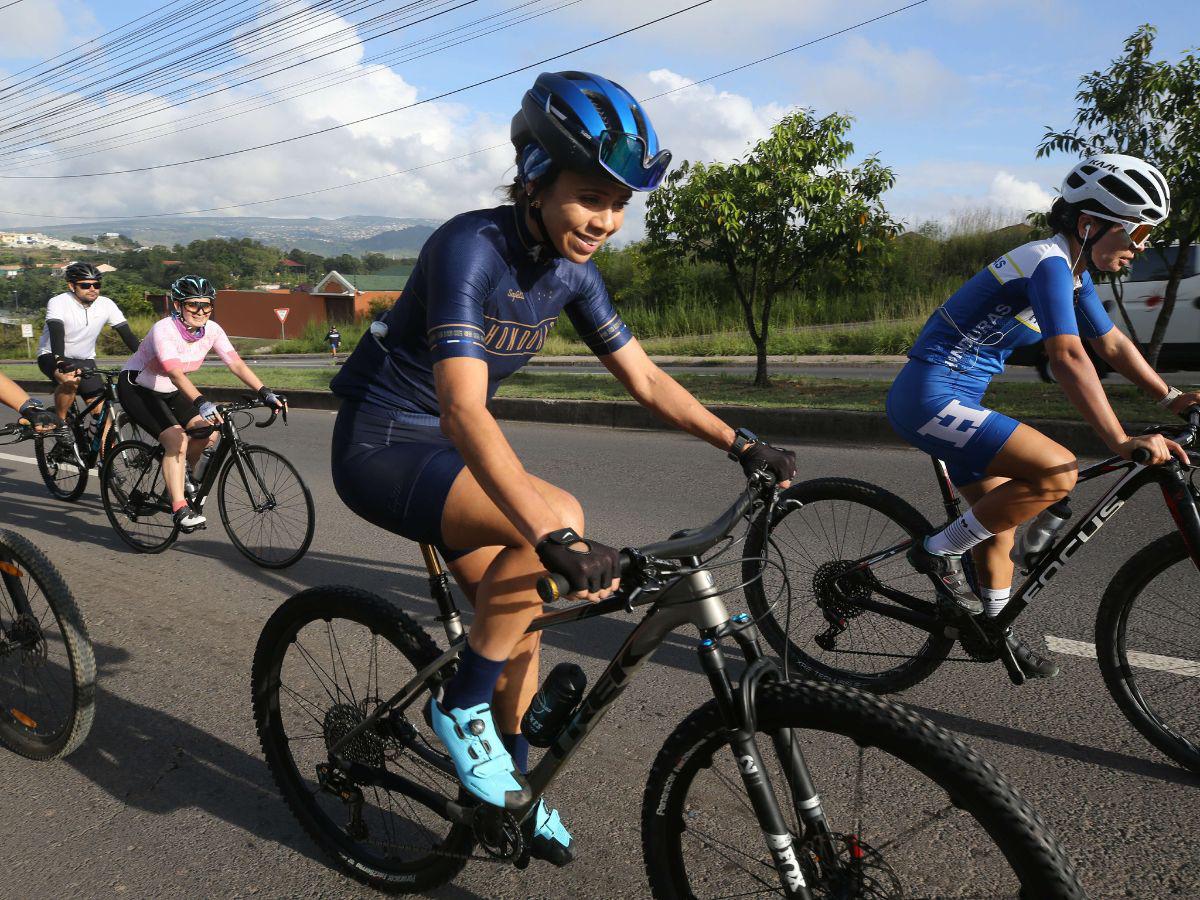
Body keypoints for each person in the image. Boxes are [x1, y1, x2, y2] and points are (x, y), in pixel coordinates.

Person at [329, 70, 796, 864]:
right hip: (381, 445)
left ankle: (508, 785)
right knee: (558, 517)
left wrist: (739, 442)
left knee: (522, 624)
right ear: (537, 177)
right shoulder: (467, 247)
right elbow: (464, 411)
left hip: (444, 453)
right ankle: (461, 709)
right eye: (591, 196)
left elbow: (645, 380)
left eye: (619, 205)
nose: (605, 221)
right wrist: (552, 532)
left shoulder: (573, 273)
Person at [886, 153, 1198, 678]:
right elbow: (1069, 357)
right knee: (1058, 470)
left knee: (997, 528)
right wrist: (1121, 439)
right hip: (928, 396)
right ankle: (935, 552)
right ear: (1089, 224)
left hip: (954, 398)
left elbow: (1111, 344)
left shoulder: (1070, 274)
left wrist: (1170, 397)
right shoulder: (1047, 263)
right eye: (1139, 231)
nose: (1141, 246)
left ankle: (992, 627)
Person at [117, 276, 285, 534]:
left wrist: (265, 392)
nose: (201, 311)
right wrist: (203, 402)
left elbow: (236, 364)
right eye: (193, 304)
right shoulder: (164, 329)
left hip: (171, 388)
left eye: (206, 305)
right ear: (177, 305)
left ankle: (179, 476)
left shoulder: (213, 331)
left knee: (208, 430)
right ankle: (180, 508)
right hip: (139, 387)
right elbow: (174, 373)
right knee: (176, 441)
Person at [37, 262, 140, 428]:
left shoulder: (106, 304)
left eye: (96, 285)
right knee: (70, 380)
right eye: (85, 285)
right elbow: (57, 332)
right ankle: (60, 424)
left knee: (103, 416)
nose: (92, 289)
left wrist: (148, 358)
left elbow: (128, 336)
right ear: (71, 286)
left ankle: (107, 451)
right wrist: (60, 360)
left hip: (85, 359)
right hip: (52, 355)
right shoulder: (58, 302)